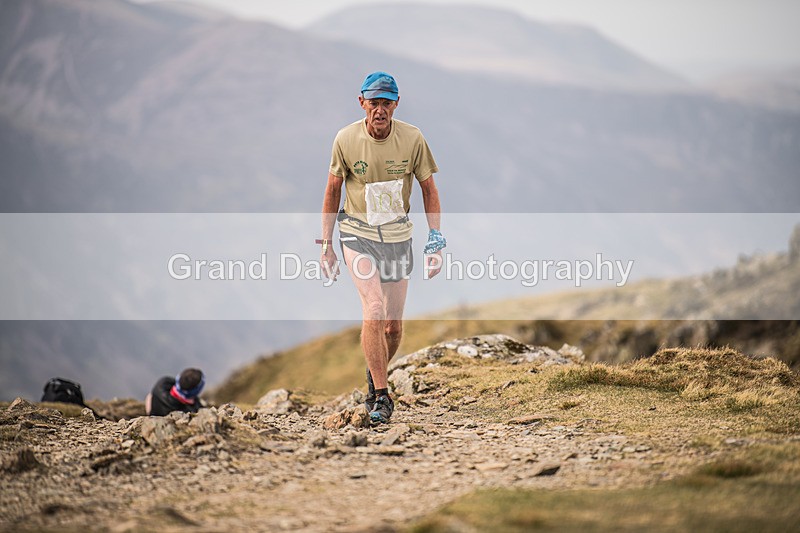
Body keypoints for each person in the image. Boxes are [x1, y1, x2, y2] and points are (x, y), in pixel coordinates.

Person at [319, 71, 446, 424]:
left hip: (397, 238)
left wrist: (435, 238)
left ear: (396, 104)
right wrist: (326, 244)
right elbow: (332, 191)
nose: (380, 110)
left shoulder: (413, 138)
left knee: (392, 327)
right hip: (357, 234)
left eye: (386, 103)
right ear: (362, 103)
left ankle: (375, 370)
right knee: (373, 307)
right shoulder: (346, 139)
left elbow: (429, 190)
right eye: (373, 103)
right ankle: (381, 395)